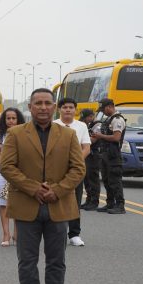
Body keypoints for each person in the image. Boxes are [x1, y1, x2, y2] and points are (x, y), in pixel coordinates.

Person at [0, 88, 85, 284]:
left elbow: (79, 168)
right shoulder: (16, 133)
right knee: (27, 258)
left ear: (54, 106)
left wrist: (56, 190)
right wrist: (33, 188)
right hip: (27, 204)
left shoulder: (68, 135)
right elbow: (7, 166)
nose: (43, 107)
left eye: (48, 103)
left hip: (59, 205)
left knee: (57, 258)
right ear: (30, 107)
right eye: (38, 103)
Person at [54, 98, 91, 246]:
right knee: (55, 199)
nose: (68, 110)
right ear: (59, 109)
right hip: (55, 169)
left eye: (71, 107)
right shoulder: (53, 125)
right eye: (65, 107)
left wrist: (75, 163)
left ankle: (74, 234)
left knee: (74, 201)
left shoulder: (81, 126)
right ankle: (56, 232)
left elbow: (86, 147)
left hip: (75, 170)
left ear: (75, 110)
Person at [0, 108, 25, 247]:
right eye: (8, 118)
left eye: (13, 118)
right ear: (4, 120)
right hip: (2, 171)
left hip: (19, 172)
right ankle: (5, 234)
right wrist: (6, 166)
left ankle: (17, 233)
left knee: (18, 202)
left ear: (18, 119)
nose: (11, 121)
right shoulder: (0, 135)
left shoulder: (25, 134)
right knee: (3, 203)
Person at [91, 98, 126, 214]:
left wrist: (100, 136)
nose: (103, 112)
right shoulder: (109, 119)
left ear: (110, 106)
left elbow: (116, 138)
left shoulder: (117, 120)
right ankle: (110, 203)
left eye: (103, 109)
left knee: (115, 180)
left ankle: (120, 205)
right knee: (106, 180)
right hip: (105, 154)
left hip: (113, 155)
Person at [79, 109, 101, 210]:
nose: (85, 120)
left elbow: (93, 139)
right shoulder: (87, 125)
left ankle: (94, 201)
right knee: (86, 178)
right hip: (87, 154)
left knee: (93, 178)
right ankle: (88, 199)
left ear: (91, 116)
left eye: (86, 118)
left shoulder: (97, 125)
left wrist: (83, 138)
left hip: (93, 155)